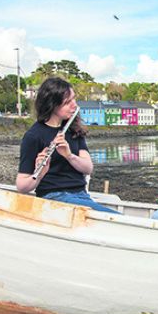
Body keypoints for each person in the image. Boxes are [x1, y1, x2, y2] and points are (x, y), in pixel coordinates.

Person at [16, 77, 118, 214]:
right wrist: (40, 173)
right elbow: (22, 186)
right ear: (52, 105)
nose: (74, 105)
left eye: (74, 99)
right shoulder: (33, 136)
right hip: (53, 198)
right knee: (113, 216)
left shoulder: (73, 129)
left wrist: (69, 156)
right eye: (67, 102)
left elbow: (88, 168)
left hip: (81, 195)